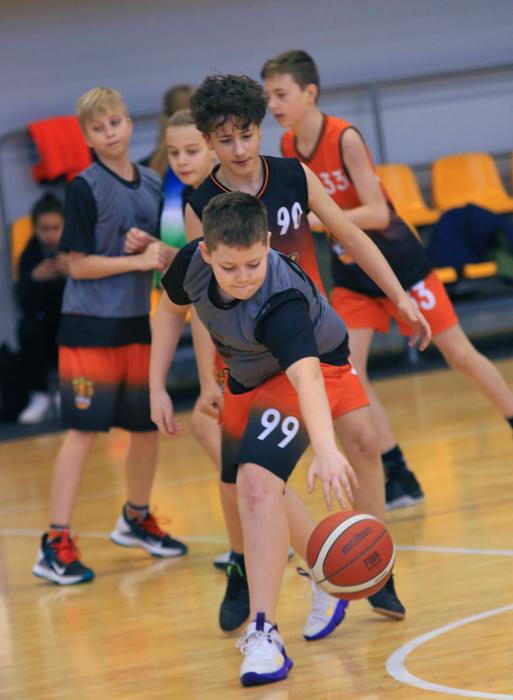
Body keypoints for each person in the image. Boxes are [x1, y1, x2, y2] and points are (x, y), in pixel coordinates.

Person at [183, 74, 430, 635]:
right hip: (251, 358)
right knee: (251, 481)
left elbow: (352, 235)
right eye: (225, 140)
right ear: (208, 140)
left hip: (314, 341)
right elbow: (196, 300)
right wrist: (207, 378)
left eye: (246, 134)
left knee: (364, 442)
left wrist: (400, 296)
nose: (239, 149)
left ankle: (372, 565)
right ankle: (284, 572)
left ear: (260, 128)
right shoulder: (201, 202)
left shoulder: (293, 175)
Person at [151, 191, 429, 686]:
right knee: (242, 485)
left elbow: (306, 377)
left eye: (253, 264)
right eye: (230, 267)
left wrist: (325, 448)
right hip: (246, 376)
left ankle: (264, 634)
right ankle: (323, 571)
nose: (243, 277)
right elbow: (172, 311)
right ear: (207, 252)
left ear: (267, 244)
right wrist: (156, 385)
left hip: (312, 367)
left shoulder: (281, 302)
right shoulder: (190, 263)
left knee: (257, 484)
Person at [261, 49, 513, 509]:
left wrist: (320, 220)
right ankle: (398, 471)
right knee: (350, 372)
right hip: (352, 275)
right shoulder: (287, 147)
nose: (273, 104)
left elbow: (378, 212)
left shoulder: (344, 137)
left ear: (309, 92)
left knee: (459, 353)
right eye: (268, 96)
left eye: (281, 94)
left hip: (398, 263)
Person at [32, 87, 187, 587]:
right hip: (88, 327)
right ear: (87, 138)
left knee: (146, 427)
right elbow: (77, 265)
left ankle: (137, 517)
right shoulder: (84, 187)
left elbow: (163, 251)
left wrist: (151, 246)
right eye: (98, 129)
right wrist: (136, 261)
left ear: (129, 123)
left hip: (135, 325)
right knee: (82, 432)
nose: (110, 133)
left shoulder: (152, 182)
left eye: (115, 123)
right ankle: (55, 543)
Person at [17, 193, 67, 424]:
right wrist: (33, 279)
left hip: (71, 321)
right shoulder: (29, 254)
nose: (50, 234)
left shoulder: (75, 248)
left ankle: (69, 392)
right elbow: (22, 301)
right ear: (35, 229)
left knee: (78, 326)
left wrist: (72, 273)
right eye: (44, 229)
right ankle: (40, 395)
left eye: (55, 228)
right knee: (27, 328)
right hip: (44, 325)